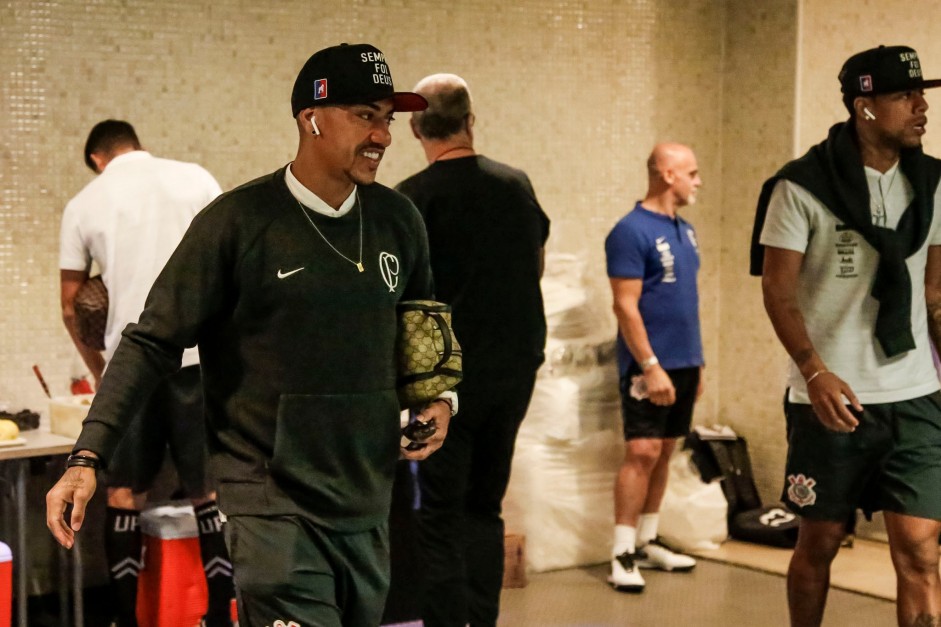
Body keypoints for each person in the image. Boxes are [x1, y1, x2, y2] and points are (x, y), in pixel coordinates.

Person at [47, 42, 454, 627]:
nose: (384, 136)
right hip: (272, 503)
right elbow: (151, 340)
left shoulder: (398, 219)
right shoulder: (236, 223)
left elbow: (421, 317)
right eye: (366, 115)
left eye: (388, 119)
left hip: (367, 498)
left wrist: (437, 396)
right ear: (310, 117)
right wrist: (88, 454)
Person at [754, 45, 941, 627]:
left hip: (912, 394)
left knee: (919, 549)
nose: (921, 106)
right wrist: (814, 369)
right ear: (864, 107)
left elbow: (935, 295)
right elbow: (778, 293)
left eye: (922, 94)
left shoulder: (933, 184)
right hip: (829, 400)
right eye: (904, 96)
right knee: (820, 544)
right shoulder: (800, 187)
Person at [58, 119, 234, 626]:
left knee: (122, 493)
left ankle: (122, 620)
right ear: (136, 143)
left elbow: (72, 305)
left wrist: (100, 371)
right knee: (208, 491)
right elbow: (230, 266)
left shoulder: (85, 203)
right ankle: (221, 614)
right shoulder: (196, 179)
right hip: (198, 360)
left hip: (131, 364)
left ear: (97, 157)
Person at [396, 73, 550, 626]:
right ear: (471, 120)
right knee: (484, 506)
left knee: (439, 512)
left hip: (445, 379)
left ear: (415, 127)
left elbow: (404, 296)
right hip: (514, 367)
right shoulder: (516, 185)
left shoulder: (411, 200)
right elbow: (534, 264)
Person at [604, 142, 704, 593]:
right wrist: (649, 365)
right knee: (642, 451)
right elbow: (625, 307)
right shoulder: (629, 231)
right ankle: (622, 552)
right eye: (692, 173)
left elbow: (686, 303)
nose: (698, 181)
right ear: (667, 173)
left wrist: (696, 364)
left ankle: (647, 541)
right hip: (648, 365)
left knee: (665, 450)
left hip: (684, 362)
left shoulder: (686, 230)